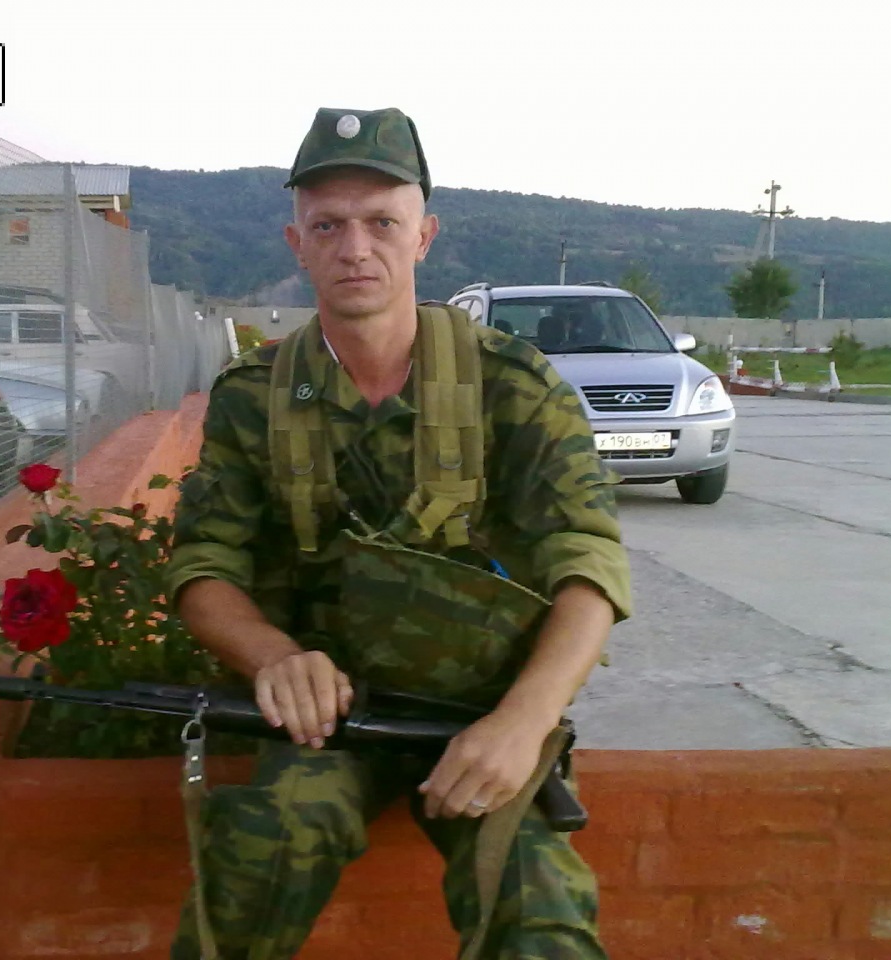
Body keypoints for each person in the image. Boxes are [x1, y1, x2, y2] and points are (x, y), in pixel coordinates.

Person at [164, 106, 632, 960]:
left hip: (478, 716)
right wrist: (274, 658)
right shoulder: (256, 396)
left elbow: (589, 565)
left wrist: (525, 721)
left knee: (542, 914)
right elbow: (203, 565)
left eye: (382, 222)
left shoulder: (512, 386)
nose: (355, 247)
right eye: (328, 226)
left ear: (424, 236)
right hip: (325, 721)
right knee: (260, 855)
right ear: (296, 243)